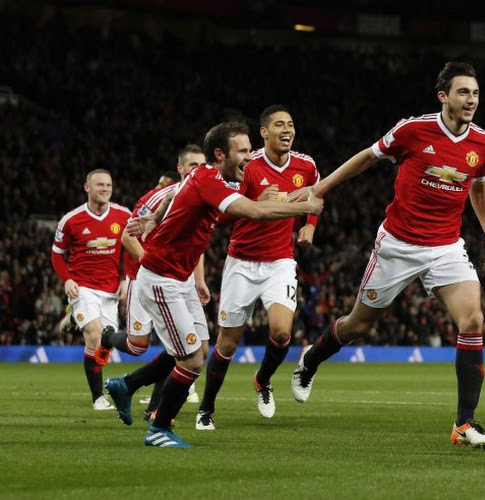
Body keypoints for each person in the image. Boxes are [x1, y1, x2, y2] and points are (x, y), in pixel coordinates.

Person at [287, 62, 485, 449]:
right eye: (463, 92)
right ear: (443, 96)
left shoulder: (484, 144)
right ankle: (311, 360)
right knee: (358, 327)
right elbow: (367, 157)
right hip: (398, 246)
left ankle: (463, 425)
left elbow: (479, 187)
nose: (471, 100)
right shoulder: (412, 130)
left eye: (475, 93)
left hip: (446, 247)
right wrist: (319, 189)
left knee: (472, 319)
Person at [104, 122, 323, 447]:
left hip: (179, 280)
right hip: (161, 279)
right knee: (190, 360)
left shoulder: (209, 178)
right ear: (220, 154)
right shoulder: (209, 180)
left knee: (201, 350)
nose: (250, 157)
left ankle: (127, 385)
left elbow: (177, 195)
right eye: (243, 151)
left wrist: (156, 218)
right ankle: (159, 429)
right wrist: (303, 207)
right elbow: (253, 211)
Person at [196, 105, 320, 429]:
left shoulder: (306, 165)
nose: (287, 130)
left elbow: (316, 193)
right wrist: (257, 203)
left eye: (291, 124)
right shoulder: (247, 166)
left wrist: (310, 225)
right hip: (242, 262)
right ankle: (206, 408)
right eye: (279, 124)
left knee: (281, 333)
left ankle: (262, 380)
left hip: (280, 261)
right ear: (264, 132)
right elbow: (221, 215)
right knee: (227, 344)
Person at [104, 146, 206, 421]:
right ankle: (107, 337)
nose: (198, 169)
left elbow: (197, 240)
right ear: (180, 169)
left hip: (179, 279)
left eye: (202, 164)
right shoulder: (158, 198)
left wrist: (199, 279)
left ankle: (154, 407)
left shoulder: (204, 193)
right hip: (147, 276)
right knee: (140, 345)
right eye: (192, 164)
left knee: (192, 348)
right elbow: (128, 237)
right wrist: (150, 261)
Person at [51, 169, 131, 410]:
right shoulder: (71, 220)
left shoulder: (123, 216)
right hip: (82, 287)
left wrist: (126, 278)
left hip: (110, 290)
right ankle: (98, 397)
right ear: (87, 188)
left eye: (108, 184)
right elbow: (57, 254)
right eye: (99, 185)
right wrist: (66, 280)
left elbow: (131, 249)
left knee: (104, 345)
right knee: (95, 335)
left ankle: (75, 318)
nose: (105, 188)